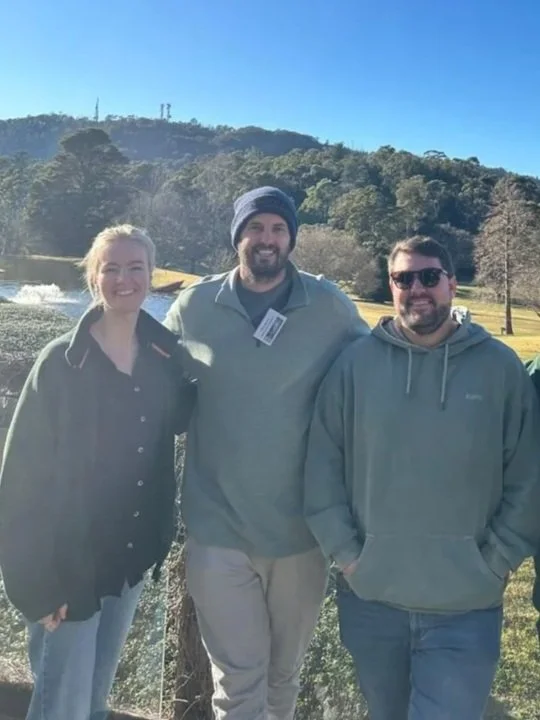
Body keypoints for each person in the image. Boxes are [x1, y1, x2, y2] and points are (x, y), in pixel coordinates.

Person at [304, 235, 540, 720]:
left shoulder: (499, 368)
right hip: (372, 602)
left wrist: (495, 562)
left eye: (429, 276)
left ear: (452, 284)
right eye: (403, 278)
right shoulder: (353, 365)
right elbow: (322, 467)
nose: (417, 289)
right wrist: (348, 557)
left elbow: (527, 476)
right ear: (390, 286)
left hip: (465, 607)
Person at [164, 186, 369, 719]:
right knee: (237, 683)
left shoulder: (330, 305)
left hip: (301, 535)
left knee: (283, 680)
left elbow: (378, 368)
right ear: (237, 236)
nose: (267, 239)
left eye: (278, 229)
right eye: (255, 227)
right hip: (218, 532)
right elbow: (150, 377)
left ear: (291, 238)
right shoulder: (196, 305)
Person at [0, 225, 195, 720]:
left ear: (153, 276)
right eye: (111, 268)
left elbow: (181, 423)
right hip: (67, 570)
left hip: (126, 564)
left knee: (91, 705)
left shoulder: (163, 362)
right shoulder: (62, 364)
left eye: (136, 267)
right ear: (93, 278)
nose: (124, 278)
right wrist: (34, 585)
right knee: (59, 707)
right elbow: (19, 477)